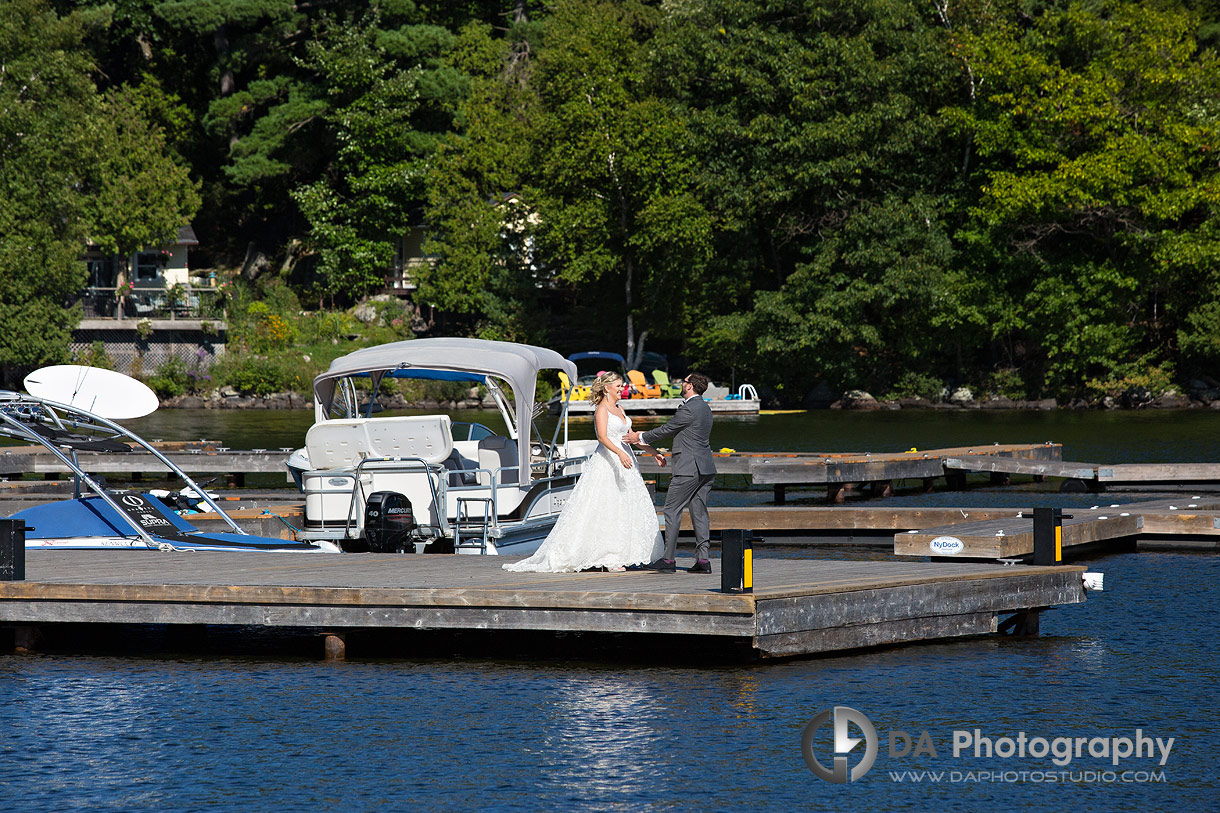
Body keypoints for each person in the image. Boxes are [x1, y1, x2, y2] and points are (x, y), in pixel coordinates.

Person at [504, 371, 665, 573]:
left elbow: (630, 437)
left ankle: (630, 553)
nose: (622, 389)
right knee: (607, 507)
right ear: (607, 388)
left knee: (626, 507)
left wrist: (654, 453)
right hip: (608, 461)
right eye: (618, 386)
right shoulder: (602, 410)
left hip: (626, 462)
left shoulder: (620, 409)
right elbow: (603, 438)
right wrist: (618, 454)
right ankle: (609, 556)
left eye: (622, 386)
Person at [624, 372, 716, 573]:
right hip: (706, 468)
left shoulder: (689, 409)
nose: (681, 384)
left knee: (671, 510)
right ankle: (703, 561)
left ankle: (668, 561)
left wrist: (639, 436)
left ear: (690, 385)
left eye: (683, 381)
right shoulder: (705, 407)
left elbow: (667, 429)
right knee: (699, 512)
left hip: (688, 468)